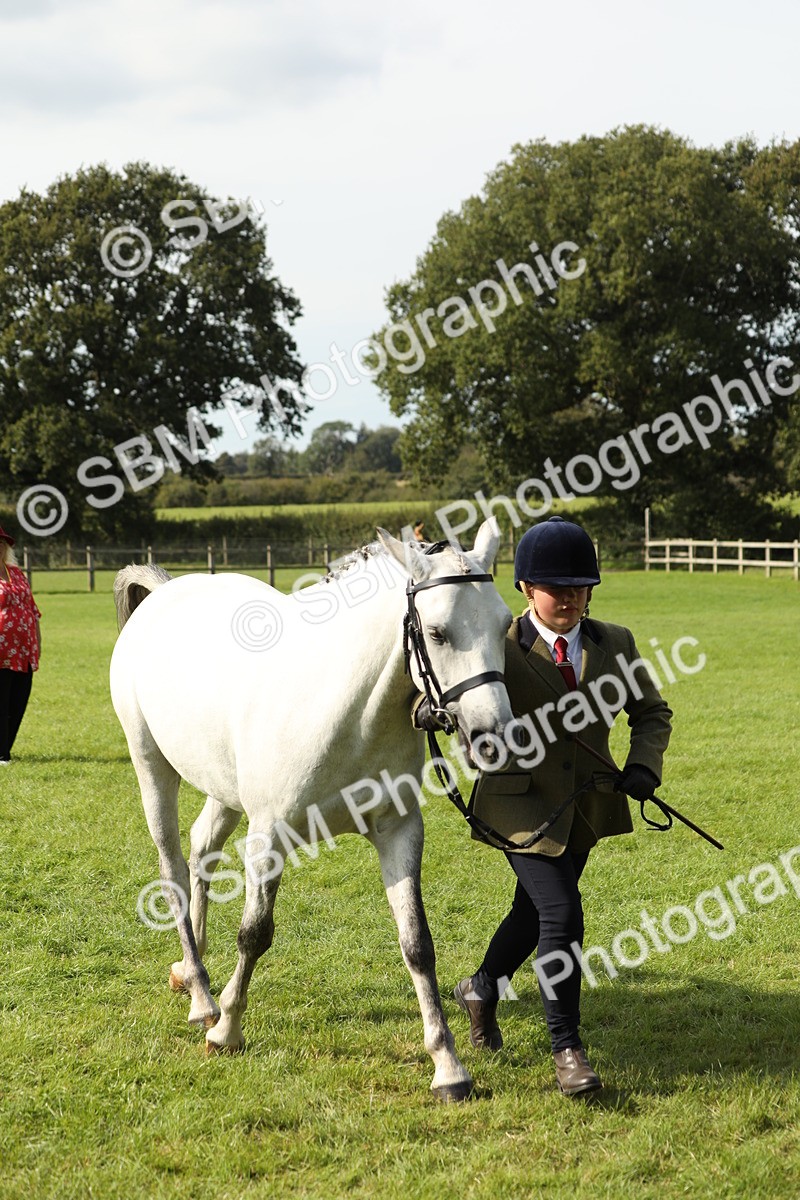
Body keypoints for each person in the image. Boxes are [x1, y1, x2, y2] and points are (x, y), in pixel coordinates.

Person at [414, 516, 672, 1095]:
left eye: (581, 587)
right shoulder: (498, 643)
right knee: (561, 913)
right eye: (557, 588)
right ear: (527, 589)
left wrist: (643, 767)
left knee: (531, 915)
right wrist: (434, 717)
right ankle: (567, 1049)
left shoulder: (615, 642)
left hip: (585, 806)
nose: (571, 598)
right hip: (517, 803)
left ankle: (482, 986)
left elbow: (652, 713)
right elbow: (452, 695)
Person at [0, 526, 41, 764]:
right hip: (2, 652)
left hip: (24, 651)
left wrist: (38, 641)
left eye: (1, 544)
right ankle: (2, 754)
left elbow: (32, 609)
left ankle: (6, 749)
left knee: (18, 702)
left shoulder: (16, 574)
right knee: (1, 703)